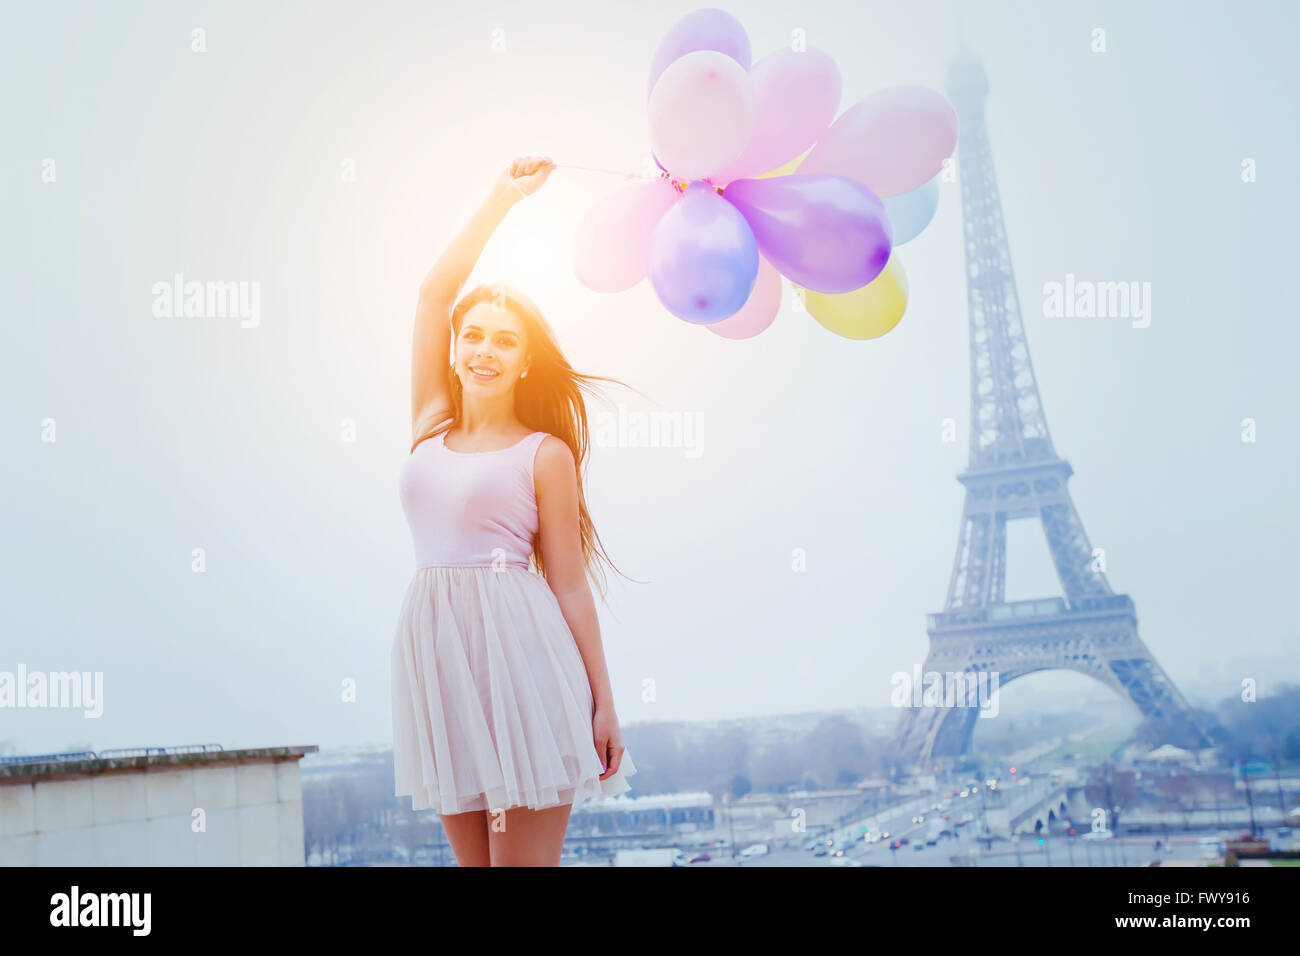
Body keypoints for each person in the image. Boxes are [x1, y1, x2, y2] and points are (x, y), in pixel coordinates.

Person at [391, 155, 638, 866]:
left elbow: (567, 583)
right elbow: (435, 292)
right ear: (456, 347)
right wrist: (503, 197)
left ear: (526, 361)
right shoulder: (429, 424)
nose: (484, 350)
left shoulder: (544, 454)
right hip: (440, 666)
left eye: (505, 340)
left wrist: (604, 703)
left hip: (522, 667)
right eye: (474, 336)